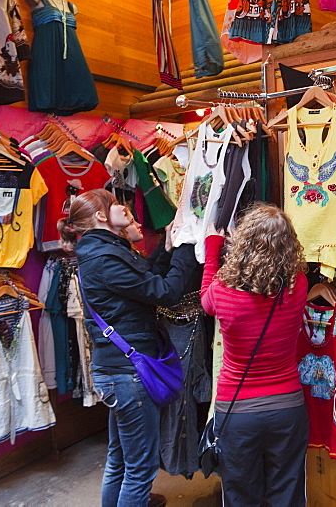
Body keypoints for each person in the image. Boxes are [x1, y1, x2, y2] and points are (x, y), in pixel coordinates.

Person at [57, 189, 196, 507]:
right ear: (101, 215)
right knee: (140, 470)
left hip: (119, 372)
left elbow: (147, 277)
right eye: (116, 203)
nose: (125, 208)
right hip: (127, 374)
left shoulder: (106, 250)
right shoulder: (106, 258)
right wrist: (187, 246)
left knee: (120, 461)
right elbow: (167, 290)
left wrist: (168, 245)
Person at [201, 203, 309, 506]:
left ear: (243, 242)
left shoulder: (222, 290)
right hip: (287, 408)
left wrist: (213, 250)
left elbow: (206, 301)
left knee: (240, 496)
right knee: (287, 494)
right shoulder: (297, 286)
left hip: (237, 413)